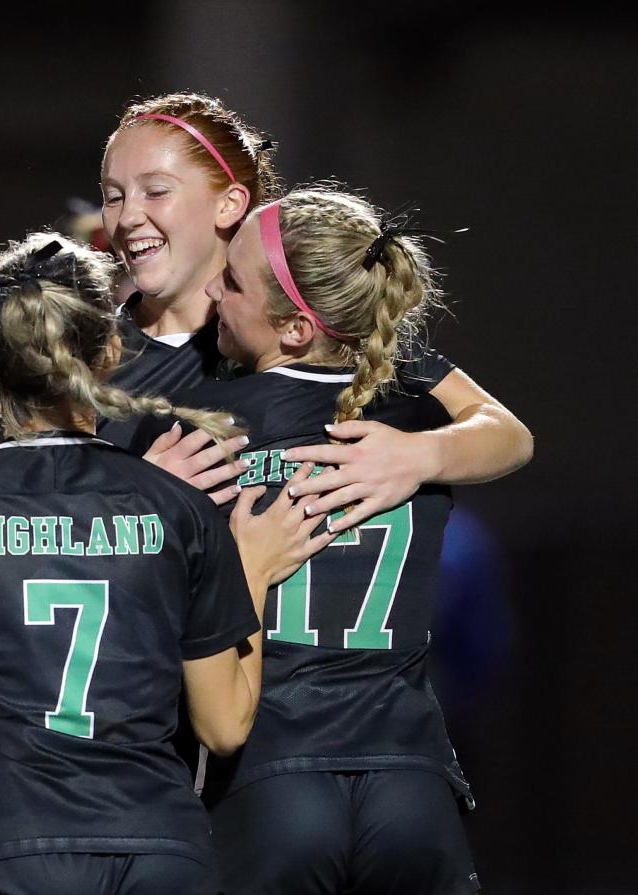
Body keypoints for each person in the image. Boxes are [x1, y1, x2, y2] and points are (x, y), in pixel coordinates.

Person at [0, 233, 330, 895]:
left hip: (5, 848)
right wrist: (254, 573)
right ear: (112, 351)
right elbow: (224, 725)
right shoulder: (180, 511)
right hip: (156, 848)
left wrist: (12, 655)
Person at [137, 187, 528, 894]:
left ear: (293, 328)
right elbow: (512, 434)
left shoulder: (198, 419)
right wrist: (426, 455)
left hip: (268, 775)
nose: (213, 290)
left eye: (231, 279)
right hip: (410, 785)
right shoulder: (417, 408)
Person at [100, 93, 532, 523]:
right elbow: (39, 529)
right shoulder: (80, 352)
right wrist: (139, 498)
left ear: (229, 203)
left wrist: (421, 454)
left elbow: (509, 435)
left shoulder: (320, 326)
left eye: (156, 191)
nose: (127, 217)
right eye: (113, 196)